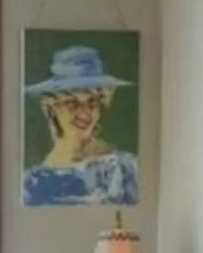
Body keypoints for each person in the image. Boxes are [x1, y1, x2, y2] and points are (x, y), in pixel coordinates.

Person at [23, 44, 139, 206]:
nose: (84, 113)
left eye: (92, 102)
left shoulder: (125, 169)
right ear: (51, 108)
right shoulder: (30, 184)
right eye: (71, 103)